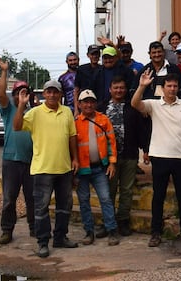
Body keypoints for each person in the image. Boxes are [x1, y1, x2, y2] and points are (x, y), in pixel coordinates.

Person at [131, 71, 181, 247]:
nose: (172, 89)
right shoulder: (154, 104)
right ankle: (156, 233)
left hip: (180, 157)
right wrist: (142, 86)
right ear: (163, 88)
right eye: (169, 86)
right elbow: (134, 103)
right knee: (158, 197)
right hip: (159, 156)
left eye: (175, 86)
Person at [13, 79, 79, 258]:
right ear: (44, 94)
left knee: (64, 206)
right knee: (41, 208)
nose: (51, 95)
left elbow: (72, 137)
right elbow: (17, 126)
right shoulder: (35, 113)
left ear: (60, 94)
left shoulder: (67, 112)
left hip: (64, 168)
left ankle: (60, 237)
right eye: (48, 92)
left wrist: (75, 159)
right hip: (42, 169)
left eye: (55, 92)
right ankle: (43, 242)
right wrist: (21, 105)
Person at [99, 75, 149, 236]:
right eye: (116, 88)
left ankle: (123, 221)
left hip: (129, 155)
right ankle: (108, 222)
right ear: (110, 89)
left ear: (125, 90)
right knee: (109, 191)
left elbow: (141, 130)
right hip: (108, 158)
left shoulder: (132, 108)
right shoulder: (101, 108)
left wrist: (146, 150)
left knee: (126, 190)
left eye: (121, 88)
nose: (119, 90)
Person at [74, 89, 120, 246]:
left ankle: (112, 230)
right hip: (82, 170)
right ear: (79, 105)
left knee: (106, 198)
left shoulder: (103, 120)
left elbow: (111, 142)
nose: (88, 105)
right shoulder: (75, 123)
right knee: (84, 201)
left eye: (91, 101)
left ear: (95, 103)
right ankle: (89, 231)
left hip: (100, 168)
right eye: (85, 102)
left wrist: (112, 162)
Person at [0, 56, 34, 245]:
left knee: (32, 199)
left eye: (25, 92)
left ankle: (35, 229)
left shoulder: (35, 112)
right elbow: (1, 93)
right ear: (14, 95)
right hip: (11, 161)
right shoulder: (9, 110)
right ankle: (6, 231)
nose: (21, 95)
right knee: (9, 199)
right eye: (18, 92)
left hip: (31, 162)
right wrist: (4, 71)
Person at [74, 45, 102, 113]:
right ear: (88, 55)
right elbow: (76, 90)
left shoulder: (103, 69)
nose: (95, 56)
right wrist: (76, 109)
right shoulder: (81, 69)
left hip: (100, 106)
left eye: (97, 54)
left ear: (99, 55)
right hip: (85, 106)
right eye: (92, 54)